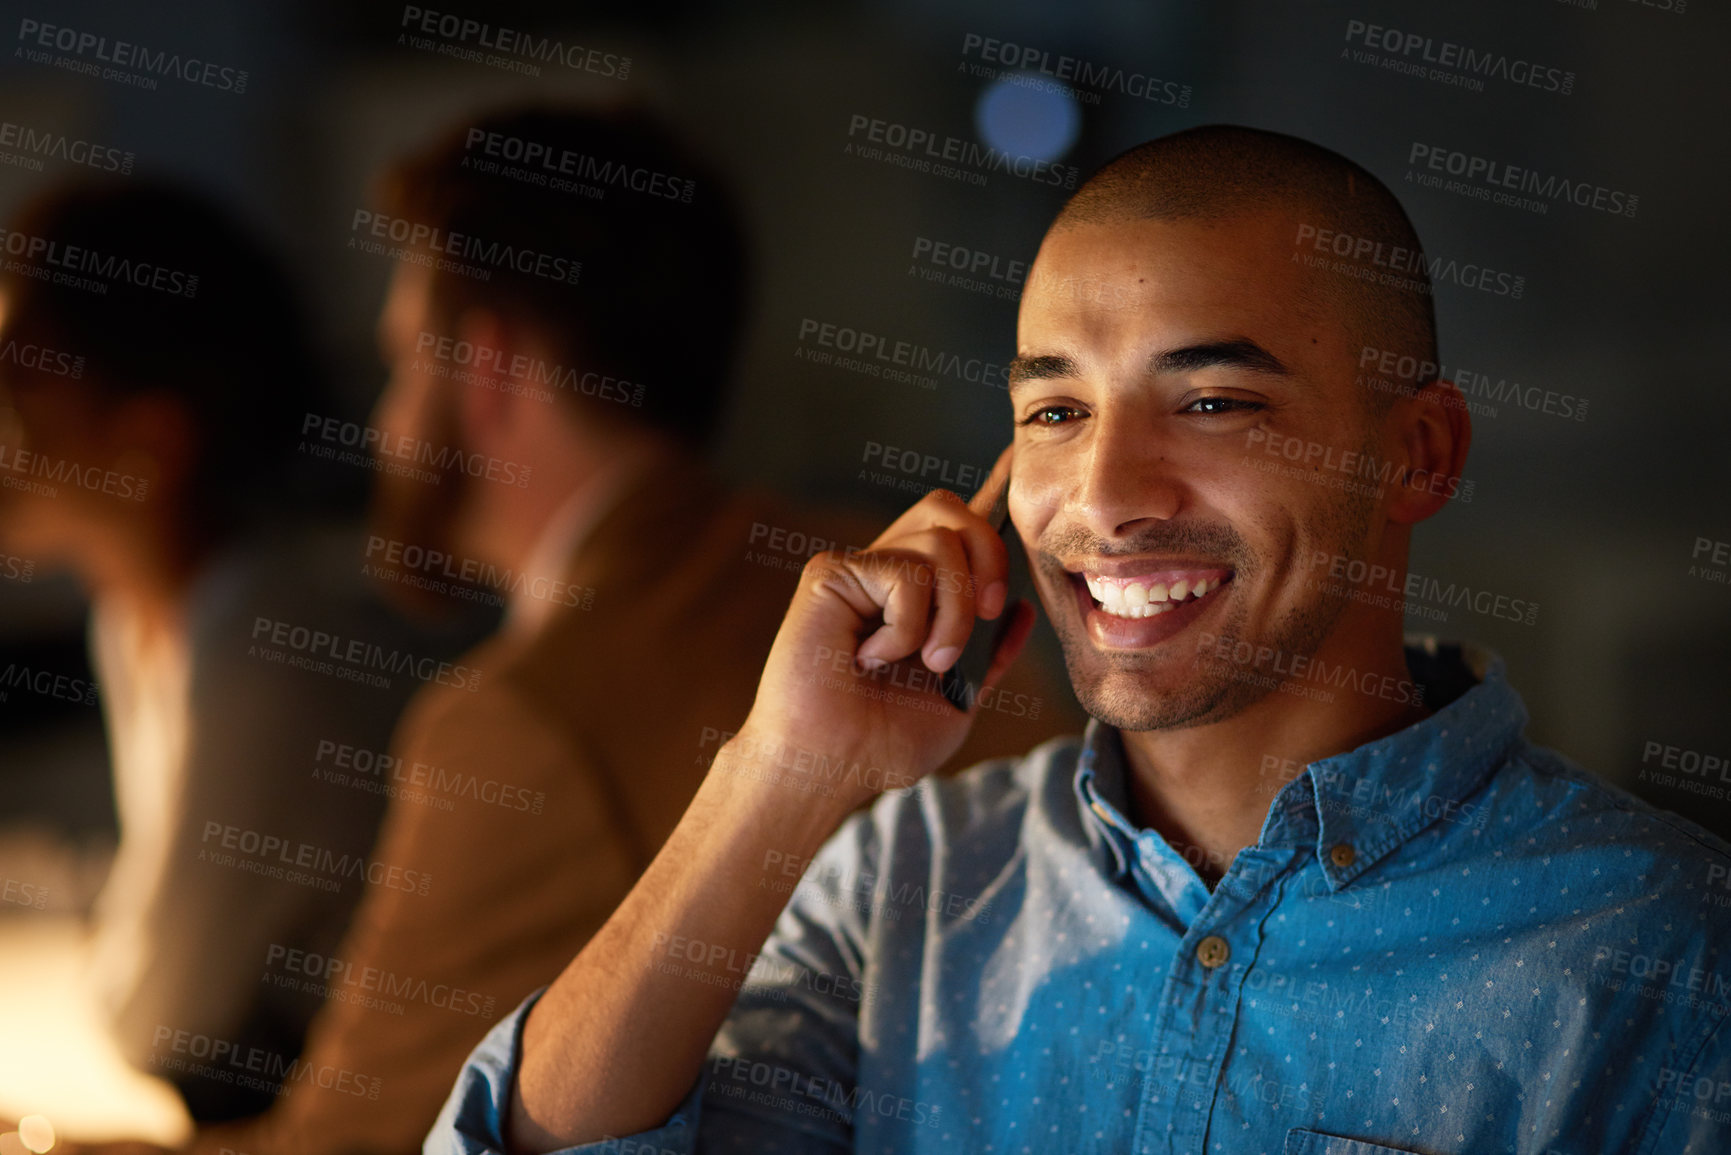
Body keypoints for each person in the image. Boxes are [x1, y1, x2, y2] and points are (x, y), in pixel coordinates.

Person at [430, 125, 1731, 1154]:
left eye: (1211, 399)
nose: (1105, 496)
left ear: (1416, 452)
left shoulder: (1659, 946)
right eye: (1053, 410)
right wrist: (777, 774)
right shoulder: (903, 881)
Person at [51, 105, 1076, 1155]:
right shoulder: (920, 584)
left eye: (406, 362)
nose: (384, 426)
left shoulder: (514, 723)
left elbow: (346, 1147)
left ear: (486, 362)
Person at [0, 182, 478, 1121]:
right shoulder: (148, 620)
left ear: (154, 437)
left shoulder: (263, 654)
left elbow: (163, 1017)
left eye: (21, 386)